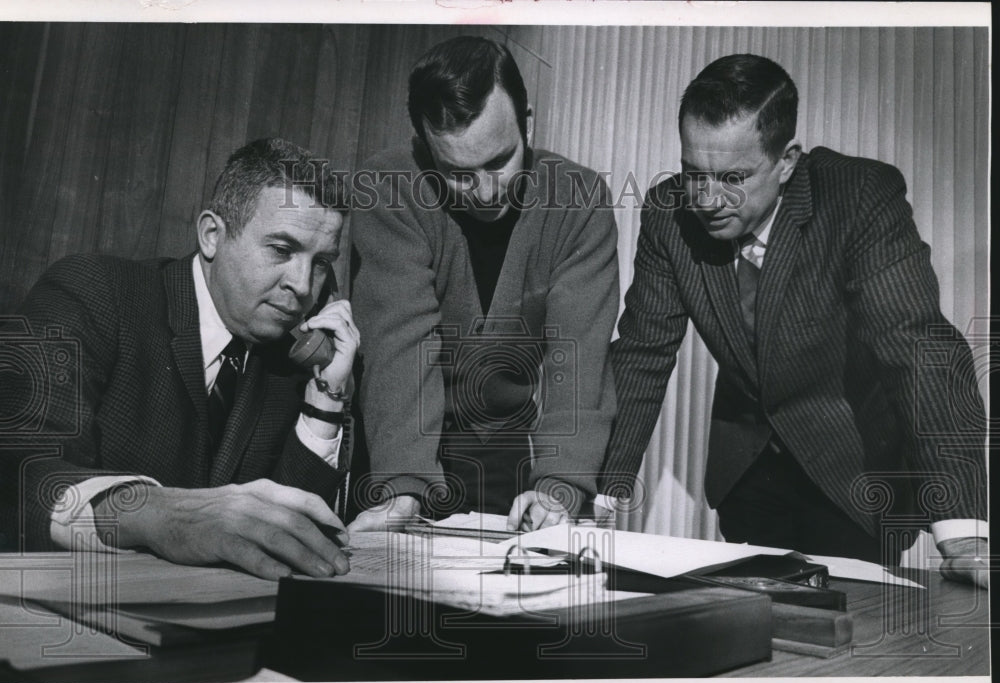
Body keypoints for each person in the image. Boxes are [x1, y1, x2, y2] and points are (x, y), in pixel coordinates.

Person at [602, 54, 987, 586]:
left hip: (853, 477)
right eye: (694, 175)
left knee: (851, 626)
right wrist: (593, 493)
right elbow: (642, 353)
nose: (707, 200)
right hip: (747, 478)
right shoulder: (670, 214)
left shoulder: (858, 198)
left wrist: (964, 533)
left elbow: (920, 352)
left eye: (733, 177)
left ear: (786, 161)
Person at [0, 138, 359, 580]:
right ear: (212, 236)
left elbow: (290, 539)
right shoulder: (95, 294)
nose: (303, 286)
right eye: (281, 250)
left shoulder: (286, 362)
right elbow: (18, 474)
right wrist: (160, 513)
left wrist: (326, 393)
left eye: (321, 263)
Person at [349, 36, 619, 533]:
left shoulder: (579, 202)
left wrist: (559, 485)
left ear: (527, 124)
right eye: (457, 173)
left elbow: (579, 360)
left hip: (504, 446)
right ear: (425, 146)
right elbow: (399, 345)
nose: (485, 191)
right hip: (395, 444)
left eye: (499, 162)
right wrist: (403, 487)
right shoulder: (386, 187)